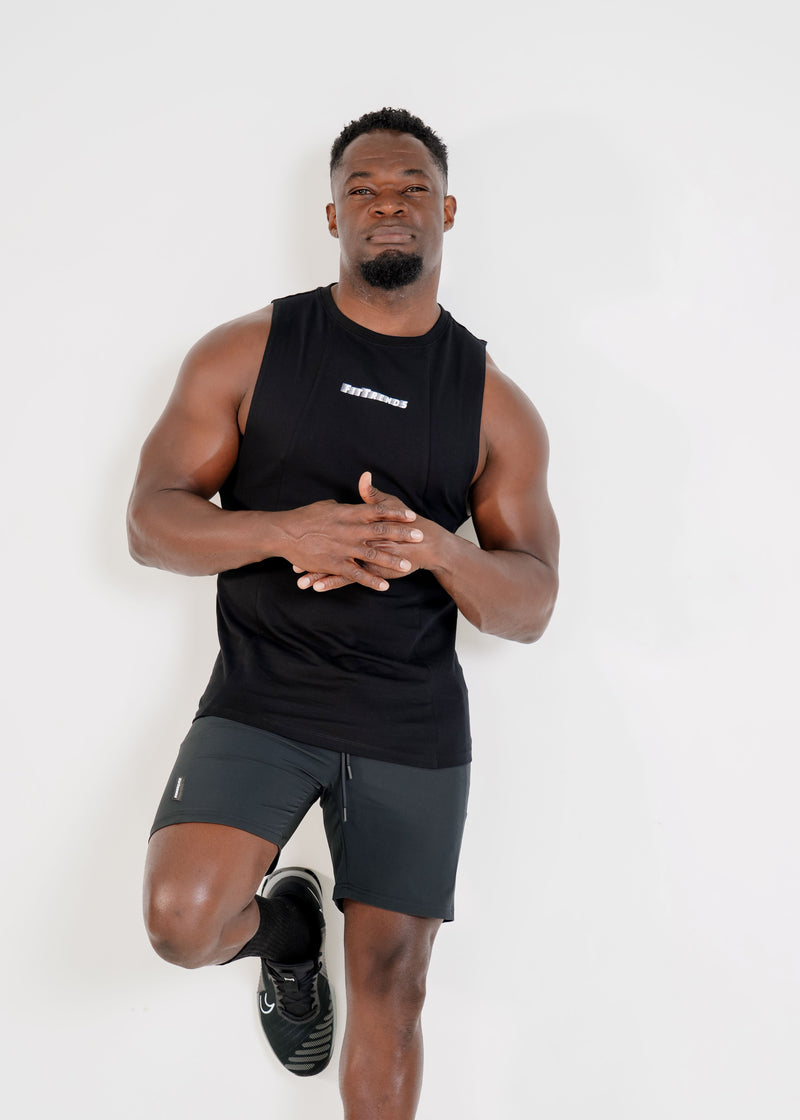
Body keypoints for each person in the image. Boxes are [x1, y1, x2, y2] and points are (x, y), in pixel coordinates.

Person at [127, 107, 559, 1118]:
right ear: (331, 216)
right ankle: (285, 932)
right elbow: (151, 524)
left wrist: (444, 552)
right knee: (182, 923)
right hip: (265, 697)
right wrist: (288, 533)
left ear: (445, 211)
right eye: (363, 190)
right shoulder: (245, 353)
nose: (387, 206)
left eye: (409, 188)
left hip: (407, 721)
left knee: (393, 992)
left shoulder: (493, 404)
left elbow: (531, 603)